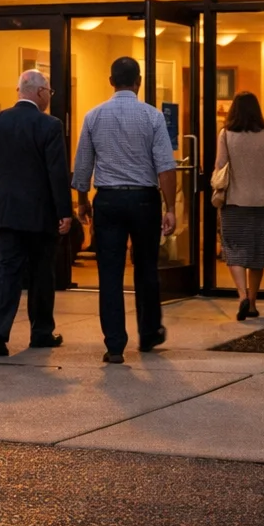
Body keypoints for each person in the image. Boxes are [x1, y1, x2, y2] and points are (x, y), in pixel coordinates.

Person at [73, 56, 177, 364]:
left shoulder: (93, 116)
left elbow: (82, 167)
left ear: (110, 81)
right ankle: (148, 332)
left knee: (110, 273)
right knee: (146, 267)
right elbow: (165, 166)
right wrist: (170, 207)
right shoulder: (153, 117)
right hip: (145, 199)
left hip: (108, 200)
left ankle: (115, 345)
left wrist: (82, 201)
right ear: (139, 81)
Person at [0, 69, 73, 356]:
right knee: (42, 272)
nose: (49, 98)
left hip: (4, 211)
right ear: (41, 92)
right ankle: (41, 331)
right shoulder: (49, 126)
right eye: (49, 93)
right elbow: (56, 172)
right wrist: (63, 211)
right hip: (40, 214)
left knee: (6, 270)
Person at [217, 93, 264, 320]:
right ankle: (254, 302)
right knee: (258, 252)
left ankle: (241, 296)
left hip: (235, 201)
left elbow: (220, 166)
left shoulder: (226, 135)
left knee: (234, 248)